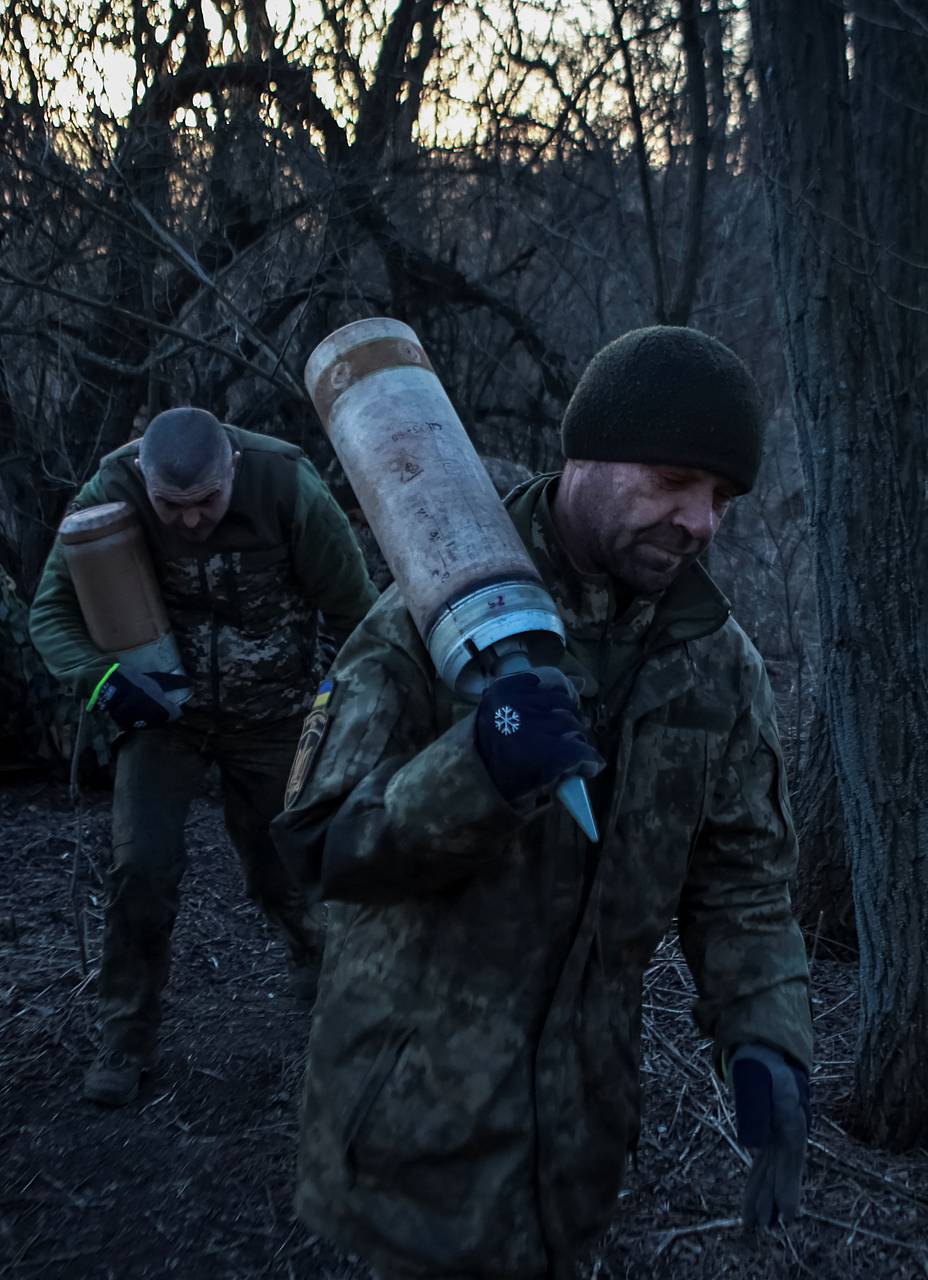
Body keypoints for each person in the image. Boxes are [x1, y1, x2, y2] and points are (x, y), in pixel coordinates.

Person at [272, 326, 814, 1280]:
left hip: (580, 1140)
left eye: (721, 499)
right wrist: (478, 769)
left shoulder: (715, 665)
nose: (701, 522)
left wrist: (766, 1038)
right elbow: (320, 848)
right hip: (414, 1129)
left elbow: (743, 886)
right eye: (673, 481)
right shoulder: (426, 619)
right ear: (586, 457)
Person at [29, 408, 379, 1107]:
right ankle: (125, 1037)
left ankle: (319, 967)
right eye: (171, 507)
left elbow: (359, 613)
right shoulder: (111, 491)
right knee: (141, 872)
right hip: (162, 717)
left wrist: (342, 709)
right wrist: (103, 682)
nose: (189, 522)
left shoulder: (286, 487)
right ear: (147, 485)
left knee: (289, 864)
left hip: (274, 714)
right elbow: (51, 614)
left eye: (206, 504)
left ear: (233, 472)